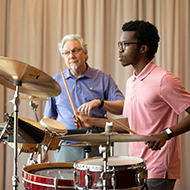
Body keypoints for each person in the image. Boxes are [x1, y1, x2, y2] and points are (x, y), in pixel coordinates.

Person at [75, 20, 190, 190]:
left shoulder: (164, 79)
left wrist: (166, 133)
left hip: (158, 168)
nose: (120, 49)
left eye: (125, 44)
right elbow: (130, 124)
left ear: (143, 48)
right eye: (119, 44)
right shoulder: (131, 81)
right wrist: (91, 122)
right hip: (135, 166)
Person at [42, 34, 125, 162]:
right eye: (67, 53)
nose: (72, 56)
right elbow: (49, 119)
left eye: (76, 50)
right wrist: (43, 148)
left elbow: (122, 107)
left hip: (97, 144)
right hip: (65, 146)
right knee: (65, 181)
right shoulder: (56, 81)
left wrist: (99, 103)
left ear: (85, 53)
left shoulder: (103, 78)